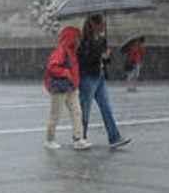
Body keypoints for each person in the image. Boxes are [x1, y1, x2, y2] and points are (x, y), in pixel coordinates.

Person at [76, 14, 132, 150]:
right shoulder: (84, 41)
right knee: (85, 110)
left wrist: (107, 57)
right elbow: (83, 61)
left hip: (100, 76)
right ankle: (79, 138)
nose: (104, 26)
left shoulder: (102, 39)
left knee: (106, 108)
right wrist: (100, 56)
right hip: (87, 77)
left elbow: (105, 60)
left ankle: (114, 138)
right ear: (94, 24)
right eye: (102, 24)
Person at [44, 24, 89, 150]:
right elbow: (52, 67)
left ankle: (78, 138)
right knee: (56, 114)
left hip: (70, 86)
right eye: (77, 38)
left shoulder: (71, 52)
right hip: (60, 86)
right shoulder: (62, 51)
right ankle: (49, 139)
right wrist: (67, 73)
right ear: (72, 38)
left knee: (76, 112)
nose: (79, 41)